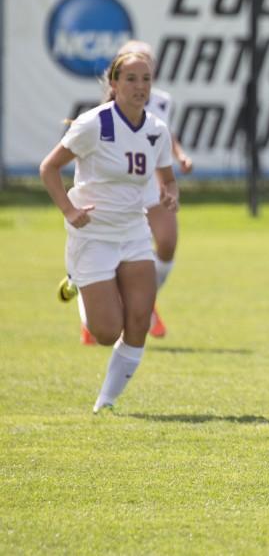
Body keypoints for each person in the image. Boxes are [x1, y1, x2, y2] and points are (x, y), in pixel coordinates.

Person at [41, 51, 179, 413]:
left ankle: (107, 402)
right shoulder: (94, 124)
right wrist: (70, 211)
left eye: (146, 79)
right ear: (113, 84)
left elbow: (166, 176)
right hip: (93, 233)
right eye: (131, 79)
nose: (140, 87)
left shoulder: (156, 129)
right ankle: (79, 282)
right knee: (106, 333)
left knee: (139, 321)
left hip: (133, 231)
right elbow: (48, 168)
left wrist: (171, 192)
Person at [61, 40, 194, 345]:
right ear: (117, 75)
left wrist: (180, 158)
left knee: (168, 243)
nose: (141, 78)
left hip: (149, 186)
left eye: (147, 67)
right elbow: (56, 163)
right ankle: (93, 296)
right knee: (108, 317)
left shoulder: (161, 102)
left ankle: (145, 301)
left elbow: (164, 134)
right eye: (133, 70)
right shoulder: (102, 117)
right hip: (116, 197)